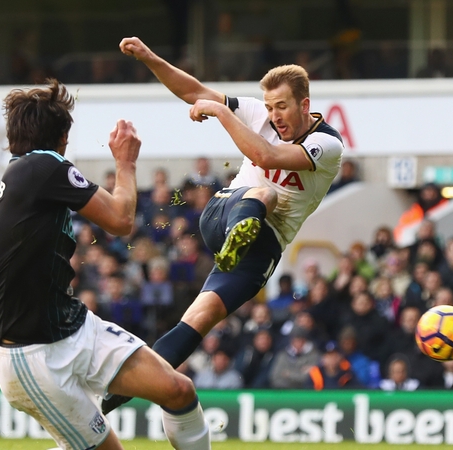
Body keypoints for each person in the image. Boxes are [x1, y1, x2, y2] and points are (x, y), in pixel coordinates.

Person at [104, 37, 344, 412]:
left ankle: (110, 399)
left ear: (305, 105)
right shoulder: (257, 113)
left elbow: (265, 153)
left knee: (199, 319)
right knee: (265, 195)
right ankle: (238, 232)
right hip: (224, 215)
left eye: (282, 106)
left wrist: (221, 113)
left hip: (264, 245)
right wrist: (150, 57)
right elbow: (194, 91)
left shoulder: (327, 145)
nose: (274, 115)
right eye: (269, 107)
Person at [0, 80, 210, 449]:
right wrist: (126, 162)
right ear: (61, 137)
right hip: (32, 357)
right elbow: (121, 220)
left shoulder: (18, 181)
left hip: (73, 328)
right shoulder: (44, 166)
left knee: (177, 389)